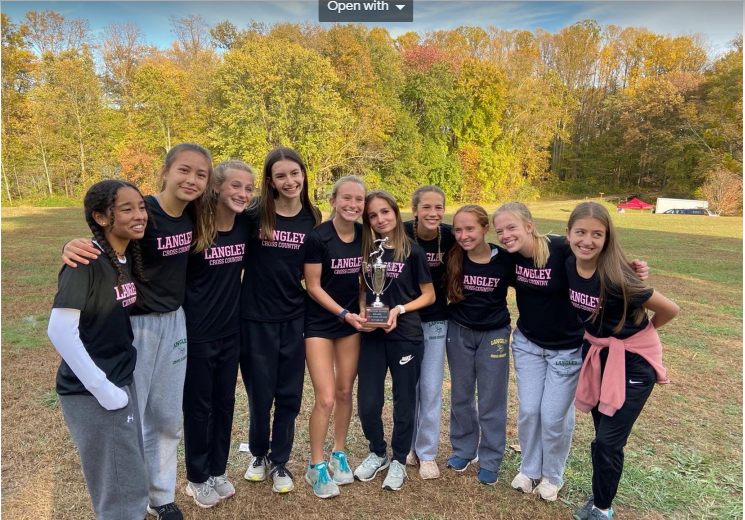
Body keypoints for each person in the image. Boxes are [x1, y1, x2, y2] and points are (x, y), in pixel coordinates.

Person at [62, 143, 214, 520]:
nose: (191, 179)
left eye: (200, 173)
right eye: (184, 170)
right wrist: (70, 244)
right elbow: (102, 243)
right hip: (137, 325)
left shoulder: (196, 215)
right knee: (133, 416)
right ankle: (128, 496)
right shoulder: (142, 210)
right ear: (165, 172)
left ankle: (160, 495)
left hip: (174, 322)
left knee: (166, 416)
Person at [493, 202, 649, 502]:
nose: (505, 235)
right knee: (528, 411)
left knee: (553, 417)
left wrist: (634, 269)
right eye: (500, 231)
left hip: (567, 348)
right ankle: (529, 469)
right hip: (527, 344)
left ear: (529, 225)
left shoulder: (561, 248)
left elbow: (597, 252)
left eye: (511, 227)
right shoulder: (509, 259)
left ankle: (552, 476)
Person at [565, 202, 679, 520]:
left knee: (607, 441)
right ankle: (600, 494)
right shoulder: (568, 261)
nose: (587, 240)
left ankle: (602, 509)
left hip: (634, 364)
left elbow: (670, 309)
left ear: (607, 237)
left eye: (597, 234)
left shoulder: (618, 278)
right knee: (602, 436)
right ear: (568, 234)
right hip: (599, 356)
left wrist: (638, 339)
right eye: (581, 232)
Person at [48, 180, 149, 519]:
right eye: (126, 209)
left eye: (141, 207)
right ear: (101, 217)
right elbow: (60, 331)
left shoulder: (122, 256)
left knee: (129, 475)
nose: (139, 215)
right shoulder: (87, 259)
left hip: (120, 379)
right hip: (92, 392)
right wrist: (103, 389)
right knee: (119, 485)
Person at [240, 147, 322, 494]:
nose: (289, 181)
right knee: (260, 393)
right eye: (281, 176)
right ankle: (258, 454)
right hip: (255, 317)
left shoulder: (314, 216)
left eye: (295, 173)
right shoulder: (255, 213)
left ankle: (280, 461)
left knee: (289, 395)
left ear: (303, 174)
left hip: (294, 316)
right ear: (270, 181)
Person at [181, 160, 255, 508]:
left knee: (226, 403)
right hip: (196, 333)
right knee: (199, 407)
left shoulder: (246, 226)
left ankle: (217, 471)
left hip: (231, 332)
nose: (242, 194)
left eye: (248, 188)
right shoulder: (194, 225)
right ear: (216, 188)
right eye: (235, 186)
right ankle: (196, 477)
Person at [353, 190, 435, 491]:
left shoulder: (412, 251)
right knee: (369, 402)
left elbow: (429, 295)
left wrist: (399, 309)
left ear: (396, 213)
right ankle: (378, 452)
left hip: (406, 336)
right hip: (373, 337)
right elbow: (364, 290)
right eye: (373, 215)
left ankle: (399, 459)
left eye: (385, 212)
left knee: (404, 401)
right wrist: (363, 310)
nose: (380, 219)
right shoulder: (366, 252)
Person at [303, 175, 368, 499]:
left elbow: (363, 279)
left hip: (350, 324)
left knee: (344, 392)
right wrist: (343, 313)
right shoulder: (319, 237)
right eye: (347, 198)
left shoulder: (364, 235)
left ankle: (338, 453)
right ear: (333, 201)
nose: (353, 205)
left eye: (359, 199)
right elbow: (312, 286)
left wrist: (359, 309)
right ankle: (315, 466)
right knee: (326, 397)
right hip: (319, 325)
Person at [444, 205, 514, 486]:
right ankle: (464, 449)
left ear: (486, 228)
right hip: (459, 331)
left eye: (470, 228)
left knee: (491, 399)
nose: (463, 235)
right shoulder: (453, 255)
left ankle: (491, 458)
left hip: (494, 334)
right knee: (460, 394)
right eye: (458, 229)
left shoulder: (506, 259)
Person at [403, 185, 455, 480]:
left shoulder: (449, 236)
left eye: (439, 207)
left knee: (432, 387)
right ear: (415, 210)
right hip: (406, 319)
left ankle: (427, 453)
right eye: (427, 208)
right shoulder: (401, 234)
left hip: (436, 320)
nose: (433, 213)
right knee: (408, 386)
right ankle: (408, 446)